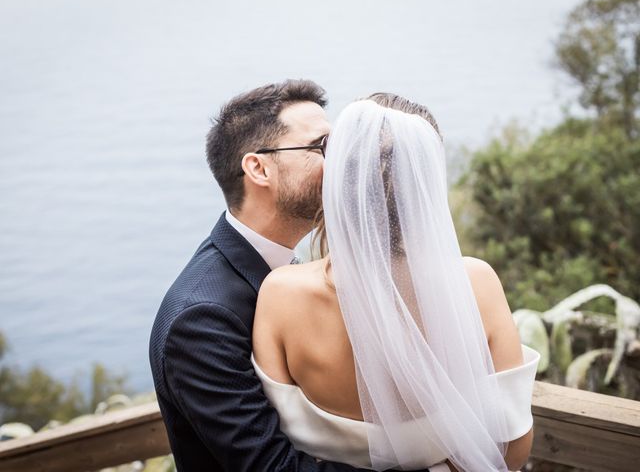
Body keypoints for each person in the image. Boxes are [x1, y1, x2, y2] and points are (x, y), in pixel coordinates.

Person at [252, 93, 540, 472]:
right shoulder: (475, 283)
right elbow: (513, 446)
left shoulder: (280, 294)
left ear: (340, 178)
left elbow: (271, 441)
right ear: (426, 183)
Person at [149, 80, 392, 471]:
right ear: (259, 168)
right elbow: (273, 466)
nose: (344, 161)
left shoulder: (286, 267)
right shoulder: (201, 319)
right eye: (323, 147)